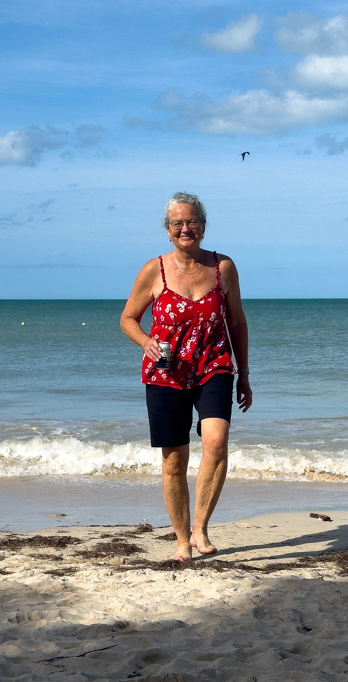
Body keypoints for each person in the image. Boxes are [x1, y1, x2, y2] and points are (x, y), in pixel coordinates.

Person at [120, 192, 252, 561]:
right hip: (166, 373)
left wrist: (244, 374)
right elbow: (127, 318)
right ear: (167, 231)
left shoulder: (223, 267)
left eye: (192, 221)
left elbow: (237, 322)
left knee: (217, 442)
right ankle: (181, 541)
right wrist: (146, 342)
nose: (185, 228)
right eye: (177, 223)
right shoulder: (154, 270)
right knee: (174, 460)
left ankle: (200, 529)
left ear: (204, 227)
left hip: (215, 365)